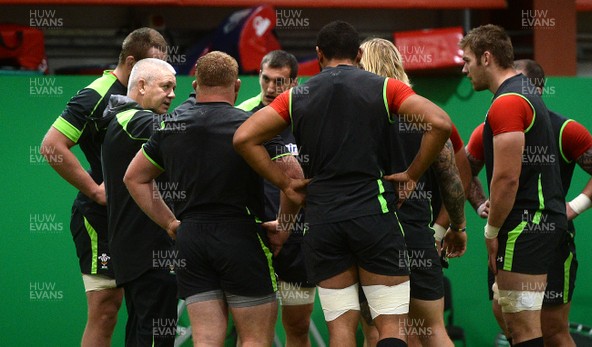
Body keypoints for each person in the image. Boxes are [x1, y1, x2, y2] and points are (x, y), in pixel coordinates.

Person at [233, 21, 453, 347]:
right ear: (359, 53)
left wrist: (286, 183)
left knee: (341, 329)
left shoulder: (298, 95)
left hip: (323, 220)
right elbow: (440, 123)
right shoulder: (384, 87)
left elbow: (243, 138)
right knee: (390, 326)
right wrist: (412, 175)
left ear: (319, 55)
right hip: (373, 215)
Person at [123, 51, 304, 346]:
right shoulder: (252, 126)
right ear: (236, 86)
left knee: (206, 339)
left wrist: (170, 223)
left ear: (195, 85)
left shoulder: (170, 126)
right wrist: (284, 228)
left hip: (191, 241)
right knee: (255, 339)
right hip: (240, 239)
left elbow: (134, 177)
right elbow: (295, 180)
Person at [39, 27, 167, 347]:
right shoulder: (96, 94)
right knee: (107, 308)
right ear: (131, 61)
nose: (159, 77)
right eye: (151, 65)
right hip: (99, 219)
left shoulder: (151, 96)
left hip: (137, 220)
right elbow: (52, 146)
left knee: (141, 307)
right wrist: (96, 190)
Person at [465, 58, 592, 347]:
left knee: (551, 330)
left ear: (537, 89)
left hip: (548, 238)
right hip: (507, 235)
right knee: (511, 322)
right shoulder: (490, 128)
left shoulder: (565, 129)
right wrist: (480, 204)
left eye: (520, 84)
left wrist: (577, 205)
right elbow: (461, 169)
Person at [460, 24, 567, 347]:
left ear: (487, 58)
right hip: (535, 222)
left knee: (523, 327)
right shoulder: (521, 95)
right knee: (509, 315)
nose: (464, 69)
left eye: (467, 60)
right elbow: (467, 166)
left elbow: (506, 178)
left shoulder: (508, 101)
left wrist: (490, 231)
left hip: (526, 224)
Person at [359, 37, 467, 347]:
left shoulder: (356, 118)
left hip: (371, 233)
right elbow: (452, 179)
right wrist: (455, 227)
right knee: (432, 330)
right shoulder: (425, 115)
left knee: (378, 334)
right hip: (418, 234)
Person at [238, 50, 316, 347]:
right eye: (265, 79)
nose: (270, 88)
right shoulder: (244, 115)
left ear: (295, 83)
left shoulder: (308, 120)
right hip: (255, 238)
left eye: (279, 82)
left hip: (298, 239)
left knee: (297, 326)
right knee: (252, 332)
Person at [101, 58, 178, 346]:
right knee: (156, 337)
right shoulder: (132, 120)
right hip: (148, 253)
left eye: (174, 87)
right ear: (142, 86)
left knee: (142, 334)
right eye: (166, 86)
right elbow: (182, 130)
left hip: (140, 253)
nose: (172, 94)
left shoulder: (127, 119)